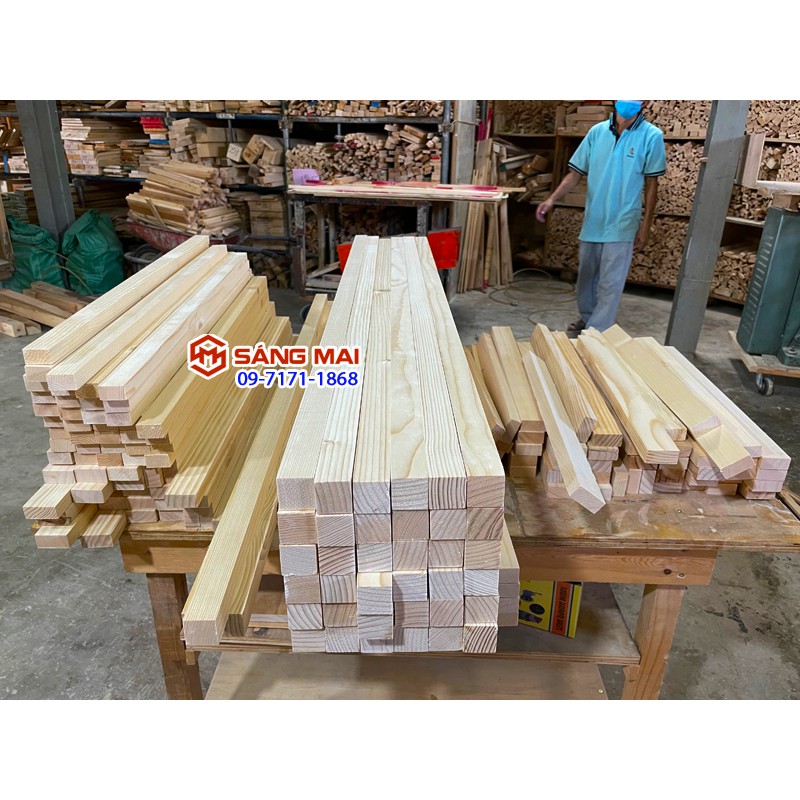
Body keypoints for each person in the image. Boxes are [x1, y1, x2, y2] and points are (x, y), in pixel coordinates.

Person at [536, 100, 666, 332]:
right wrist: (551, 199)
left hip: (624, 220)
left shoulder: (652, 136)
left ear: (645, 102)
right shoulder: (597, 132)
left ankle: (597, 330)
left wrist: (645, 225)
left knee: (610, 282)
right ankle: (587, 318)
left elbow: (652, 184)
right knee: (586, 278)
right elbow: (574, 174)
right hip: (594, 219)